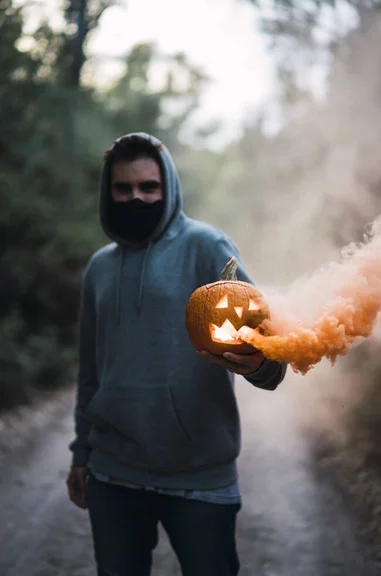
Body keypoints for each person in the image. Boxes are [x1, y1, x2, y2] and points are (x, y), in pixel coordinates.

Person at [66, 132, 286, 576]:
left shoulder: (208, 248)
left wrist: (262, 365)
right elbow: (91, 371)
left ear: (168, 188)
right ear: (108, 192)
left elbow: (269, 346)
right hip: (114, 474)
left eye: (149, 188)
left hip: (199, 475)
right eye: (123, 189)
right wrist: (81, 453)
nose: (136, 198)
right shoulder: (100, 268)